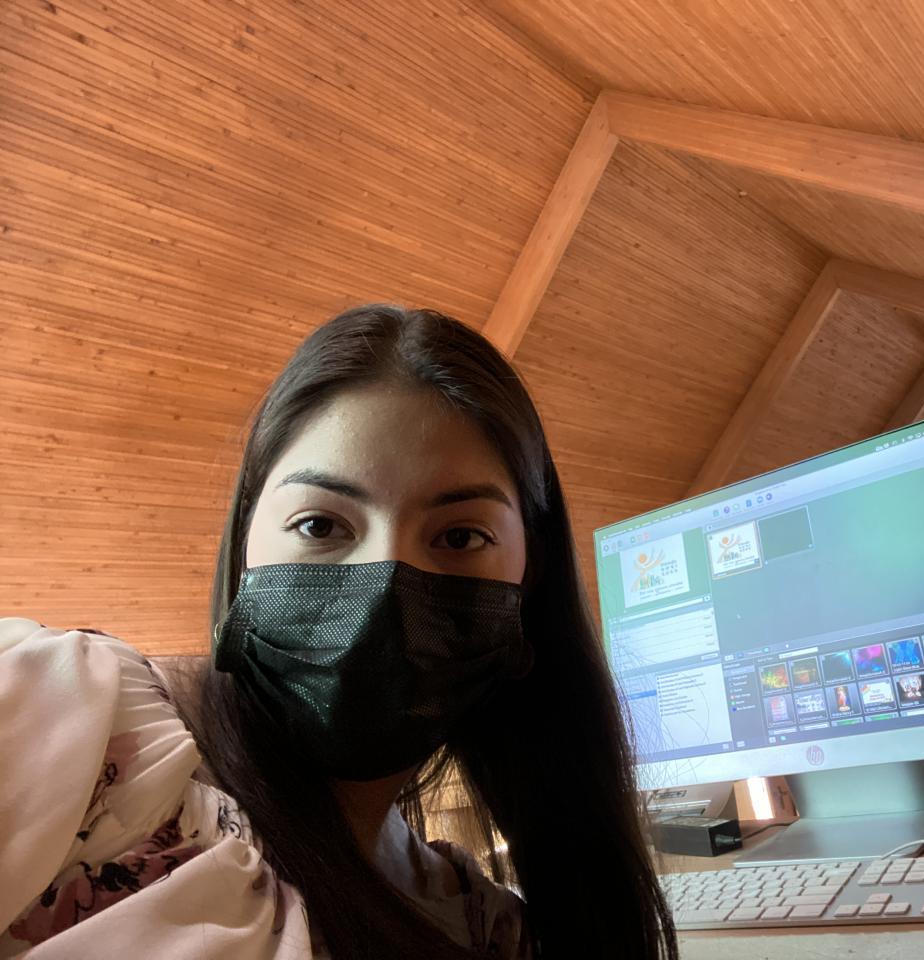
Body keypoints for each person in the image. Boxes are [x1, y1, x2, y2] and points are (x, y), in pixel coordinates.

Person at [0, 306, 678, 959]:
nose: (380, 596)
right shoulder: (67, 715)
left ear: (531, 574)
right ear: (246, 540)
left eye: (460, 536)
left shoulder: (490, 930)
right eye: (320, 525)